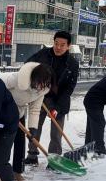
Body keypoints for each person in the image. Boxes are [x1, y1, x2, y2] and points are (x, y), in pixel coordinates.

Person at [24, 30, 79, 163]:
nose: (58, 47)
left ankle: (54, 158)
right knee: (35, 127)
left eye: (62, 45)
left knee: (56, 132)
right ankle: (32, 155)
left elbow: (69, 88)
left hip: (60, 99)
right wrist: (35, 85)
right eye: (56, 43)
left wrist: (58, 107)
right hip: (40, 97)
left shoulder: (72, 63)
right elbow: (27, 66)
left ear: (68, 46)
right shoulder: (43, 54)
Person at [0, 61, 51, 181]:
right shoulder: (17, 79)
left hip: (19, 113)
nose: (41, 87)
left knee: (20, 143)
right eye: (40, 83)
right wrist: (4, 107)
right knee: (4, 143)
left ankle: (17, 172)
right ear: (34, 79)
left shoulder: (42, 90)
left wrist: (33, 129)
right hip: (4, 110)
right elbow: (0, 87)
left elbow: (35, 109)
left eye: (44, 84)